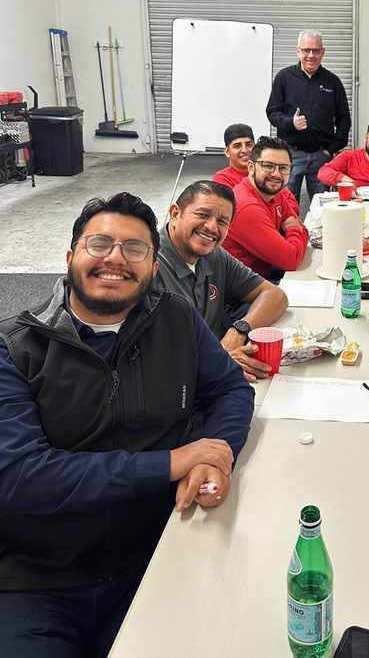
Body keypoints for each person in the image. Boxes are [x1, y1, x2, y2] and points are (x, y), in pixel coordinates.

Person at [0, 192, 254, 656]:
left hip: (156, 553)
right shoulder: (16, 348)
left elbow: (230, 390)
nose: (115, 258)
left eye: (135, 249)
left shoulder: (176, 319)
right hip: (38, 578)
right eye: (99, 244)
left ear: (154, 267)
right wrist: (170, 463)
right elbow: (18, 477)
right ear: (70, 257)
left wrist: (216, 455)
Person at [154, 180, 288, 382]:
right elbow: (153, 355)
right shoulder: (147, 265)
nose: (211, 227)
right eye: (203, 214)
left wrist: (239, 330)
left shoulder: (215, 256)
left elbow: (275, 296)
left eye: (222, 221)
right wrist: (219, 361)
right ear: (175, 214)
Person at [266, 29, 351, 202]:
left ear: (323, 52)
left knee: (322, 205)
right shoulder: (284, 77)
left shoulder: (333, 82)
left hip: (321, 156)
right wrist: (291, 122)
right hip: (289, 155)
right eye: (306, 50)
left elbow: (344, 120)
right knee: (286, 204)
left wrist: (331, 149)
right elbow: (272, 112)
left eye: (315, 50)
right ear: (298, 51)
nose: (310, 55)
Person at [222, 136, 309, 279]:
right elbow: (291, 259)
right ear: (251, 167)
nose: (276, 174)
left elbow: (303, 229)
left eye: (283, 168)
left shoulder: (274, 191)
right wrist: (293, 229)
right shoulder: (246, 206)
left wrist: (295, 232)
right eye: (268, 166)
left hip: (263, 275)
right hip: (243, 292)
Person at [211, 122, 256, 188]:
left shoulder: (265, 172)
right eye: (237, 146)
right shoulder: (222, 178)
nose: (244, 150)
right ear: (227, 152)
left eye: (249, 145)